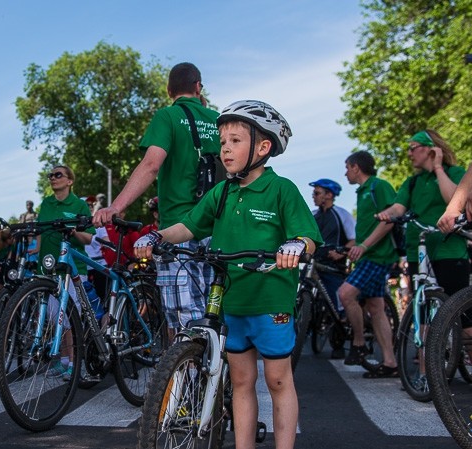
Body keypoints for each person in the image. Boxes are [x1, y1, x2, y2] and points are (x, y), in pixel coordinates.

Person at [134, 100, 319, 449]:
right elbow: (188, 226)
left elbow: (307, 237)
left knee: (278, 381)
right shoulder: (221, 193)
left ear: (263, 148)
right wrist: (157, 236)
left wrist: (296, 246)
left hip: (270, 300)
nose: (225, 149)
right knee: (242, 380)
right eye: (222, 142)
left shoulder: (282, 190)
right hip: (232, 298)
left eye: (235, 140)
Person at [94, 62, 221, 334]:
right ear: (199, 87)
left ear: (168, 90)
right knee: (217, 317)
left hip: (178, 229)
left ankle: (187, 373)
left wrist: (116, 206)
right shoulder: (218, 119)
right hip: (219, 229)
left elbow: (151, 165)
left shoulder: (168, 116)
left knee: (184, 324)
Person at [378, 130, 468, 296]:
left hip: (449, 250)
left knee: (460, 313)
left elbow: (456, 201)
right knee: (421, 307)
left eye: (413, 148)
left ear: (429, 149)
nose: (409, 153)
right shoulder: (412, 182)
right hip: (417, 253)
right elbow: (398, 208)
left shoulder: (454, 173)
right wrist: (385, 214)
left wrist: (438, 167)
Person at [337, 151, 399, 378]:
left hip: (377, 255)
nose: (346, 172)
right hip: (368, 256)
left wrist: (363, 246)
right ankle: (391, 362)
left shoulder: (378, 186)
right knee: (375, 307)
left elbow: (390, 220)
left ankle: (359, 342)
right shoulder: (363, 191)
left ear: (356, 167)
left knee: (345, 294)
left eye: (347, 167)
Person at [34, 165, 98, 378]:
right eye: (50, 175)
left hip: (72, 269)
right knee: (55, 317)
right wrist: (36, 247)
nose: (53, 178)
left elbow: (89, 237)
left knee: (69, 318)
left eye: (58, 174)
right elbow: (41, 232)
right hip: (49, 266)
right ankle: (62, 360)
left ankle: (74, 363)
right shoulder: (46, 203)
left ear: (70, 181)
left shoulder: (79, 204)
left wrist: (74, 232)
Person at [309, 178, 356, 358]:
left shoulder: (341, 214)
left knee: (337, 300)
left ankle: (341, 330)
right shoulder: (314, 215)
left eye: (317, 193)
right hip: (315, 262)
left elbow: (352, 239)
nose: (314, 196)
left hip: (334, 265)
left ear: (329, 195)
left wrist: (342, 253)